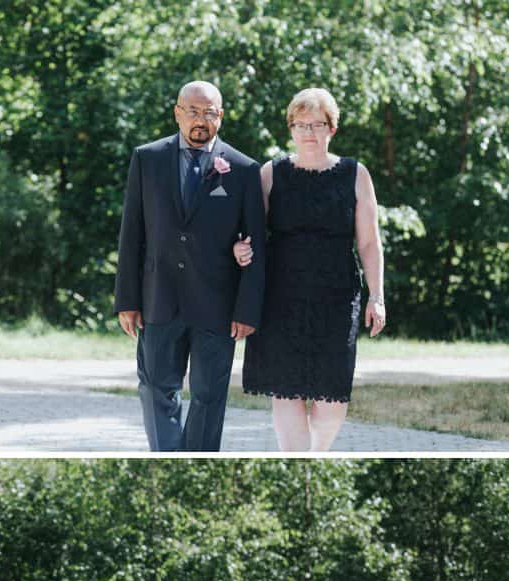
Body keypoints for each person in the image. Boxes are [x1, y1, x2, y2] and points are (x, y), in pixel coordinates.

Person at [113, 81, 267, 454]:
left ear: (221, 116)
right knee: (154, 388)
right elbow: (132, 233)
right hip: (157, 298)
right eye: (194, 112)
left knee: (209, 394)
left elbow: (257, 244)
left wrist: (247, 309)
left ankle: (196, 457)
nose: (201, 121)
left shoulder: (244, 170)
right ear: (178, 112)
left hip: (218, 304)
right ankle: (167, 456)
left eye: (209, 113)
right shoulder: (147, 159)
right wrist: (127, 300)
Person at [239, 88, 385, 456]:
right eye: (301, 124)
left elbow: (369, 243)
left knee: (331, 400)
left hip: (337, 294)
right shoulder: (270, 173)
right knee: (285, 389)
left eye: (317, 124)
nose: (308, 132)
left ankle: (315, 451)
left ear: (331, 129)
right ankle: (298, 460)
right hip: (279, 295)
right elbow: (247, 232)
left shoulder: (355, 174)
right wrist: (240, 248)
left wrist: (377, 296)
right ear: (290, 128)